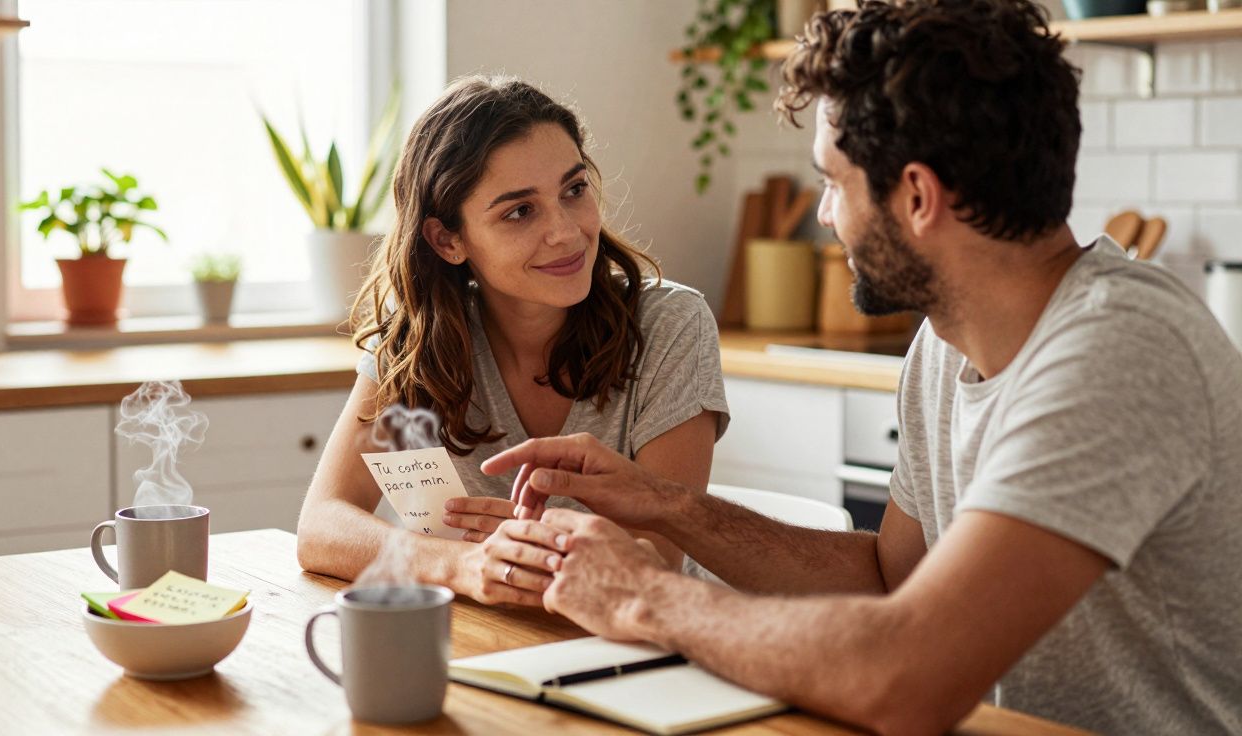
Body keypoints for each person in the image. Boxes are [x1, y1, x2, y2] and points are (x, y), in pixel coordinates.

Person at [478, 1, 1242, 733]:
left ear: (916, 196)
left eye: (830, 182)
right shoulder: (947, 342)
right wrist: (669, 505)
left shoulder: (1116, 352)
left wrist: (645, 598)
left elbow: (906, 678)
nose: (823, 215)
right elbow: (888, 575)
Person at [296, 75, 729, 610]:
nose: (567, 232)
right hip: (490, 646)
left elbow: (658, 559)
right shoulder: (414, 339)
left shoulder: (670, 324)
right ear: (448, 240)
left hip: (646, 648)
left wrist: (523, 549)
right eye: (520, 211)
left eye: (574, 190)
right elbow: (320, 525)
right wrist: (462, 565)